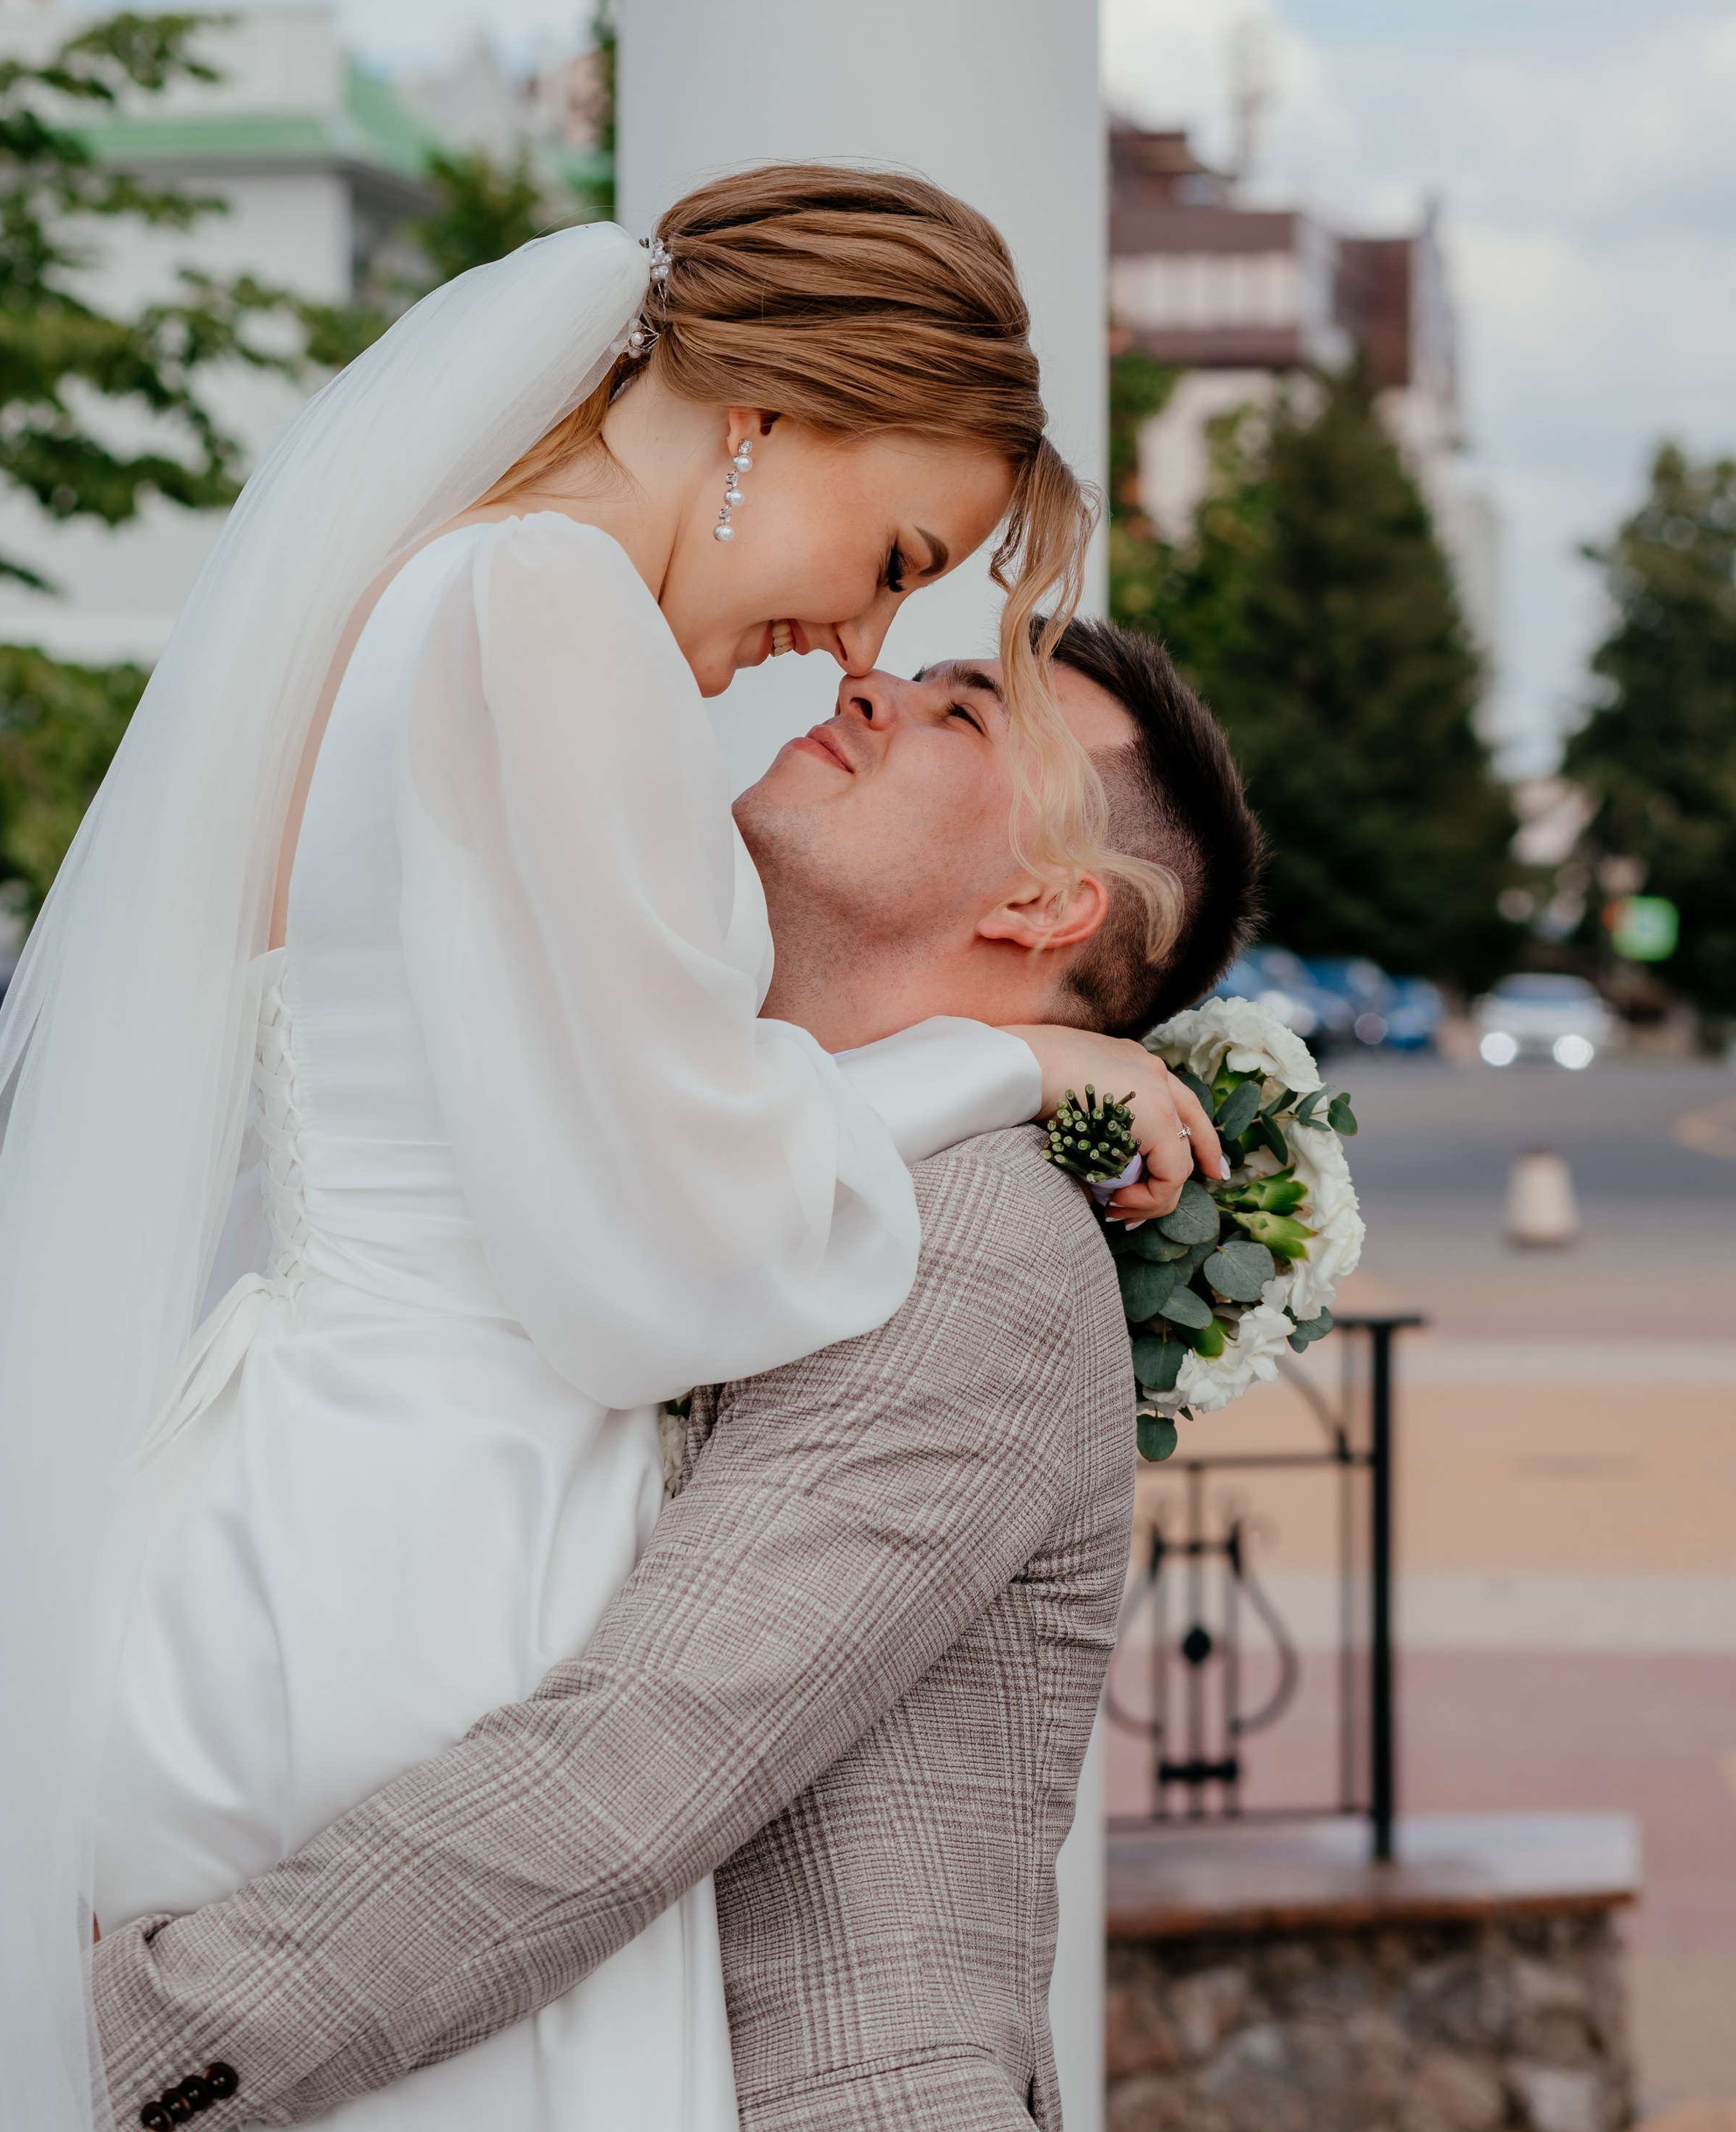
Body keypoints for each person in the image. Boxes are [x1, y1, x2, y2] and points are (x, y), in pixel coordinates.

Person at [0, 168, 1221, 2132]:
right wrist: (998, 1075)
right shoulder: (541, 603)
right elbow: (663, 1249)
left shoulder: (469, 593)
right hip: (424, 1538)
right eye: (897, 549)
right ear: (777, 411)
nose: (850, 629)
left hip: (330, 1491)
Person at [90, 619, 1264, 2132]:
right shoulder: (689, 1167)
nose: (866, 684)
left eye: (961, 717)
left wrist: (96, 2052)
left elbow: (622, 1776)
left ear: (1046, 901)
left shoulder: (974, 1237)